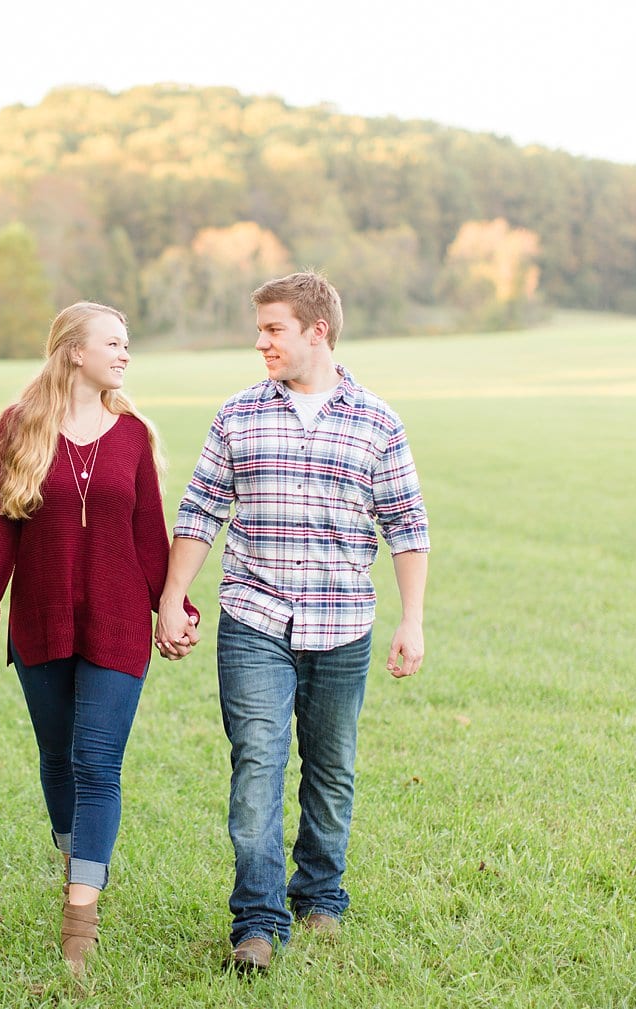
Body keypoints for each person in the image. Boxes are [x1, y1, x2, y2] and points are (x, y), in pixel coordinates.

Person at [154, 272, 429, 973]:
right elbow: (200, 511)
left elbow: (406, 526)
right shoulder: (236, 416)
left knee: (331, 769)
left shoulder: (377, 421)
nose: (260, 342)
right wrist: (172, 594)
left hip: (343, 624)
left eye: (273, 329)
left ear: (318, 331)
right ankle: (256, 918)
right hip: (253, 618)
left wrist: (413, 620)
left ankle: (320, 897)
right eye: (260, 329)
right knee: (257, 765)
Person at [0, 301, 197, 976]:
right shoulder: (19, 426)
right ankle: (79, 857)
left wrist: (172, 606)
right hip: (40, 618)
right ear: (73, 351)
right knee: (57, 758)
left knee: (97, 763)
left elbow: (149, 534)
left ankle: (78, 924)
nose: (125, 355)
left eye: (126, 344)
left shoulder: (132, 433)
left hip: (119, 623)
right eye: (113, 343)